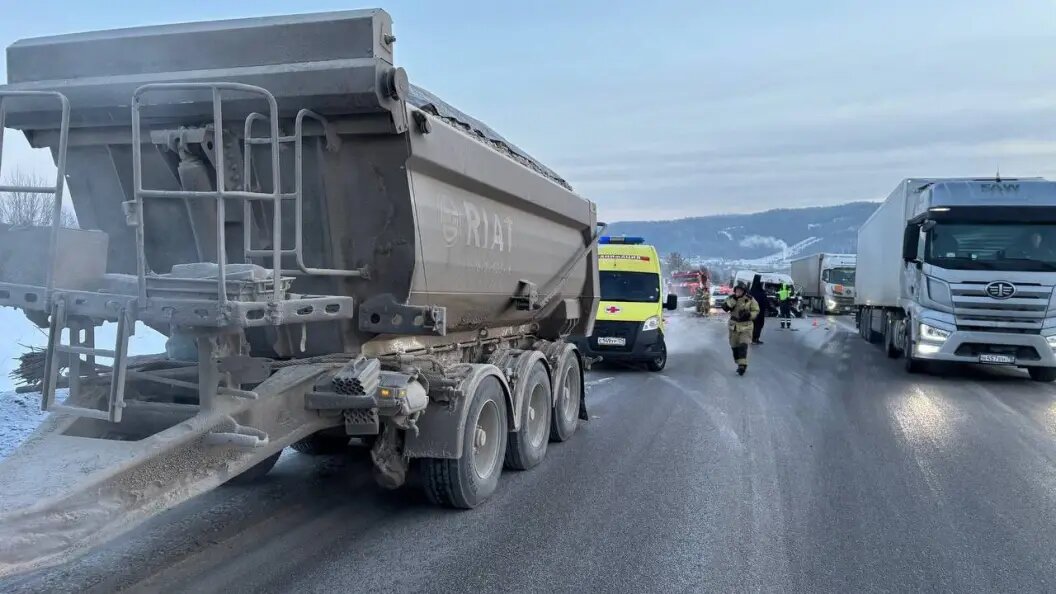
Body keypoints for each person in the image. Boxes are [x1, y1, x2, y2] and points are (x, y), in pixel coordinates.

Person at [721, 281, 760, 375]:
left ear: (744, 291)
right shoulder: (731, 298)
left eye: (741, 290)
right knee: (734, 346)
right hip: (733, 326)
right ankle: (739, 362)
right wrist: (734, 299)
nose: (738, 292)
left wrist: (749, 315)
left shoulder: (750, 299)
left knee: (743, 344)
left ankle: (742, 366)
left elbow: (756, 310)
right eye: (737, 290)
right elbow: (726, 307)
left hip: (746, 326)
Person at [749, 274, 769, 344]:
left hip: (752, 311)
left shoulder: (750, 291)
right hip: (760, 312)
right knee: (759, 325)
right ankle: (755, 338)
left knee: (753, 324)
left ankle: (753, 338)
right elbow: (765, 301)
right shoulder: (761, 292)